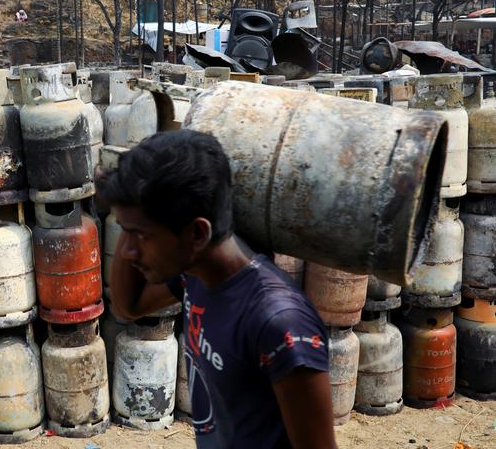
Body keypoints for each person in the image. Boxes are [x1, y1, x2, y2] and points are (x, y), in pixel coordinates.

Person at [96, 129, 337, 449]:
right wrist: (127, 208)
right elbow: (129, 306)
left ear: (196, 233)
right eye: (125, 233)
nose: (127, 251)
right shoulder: (195, 274)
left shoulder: (279, 324)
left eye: (141, 235)